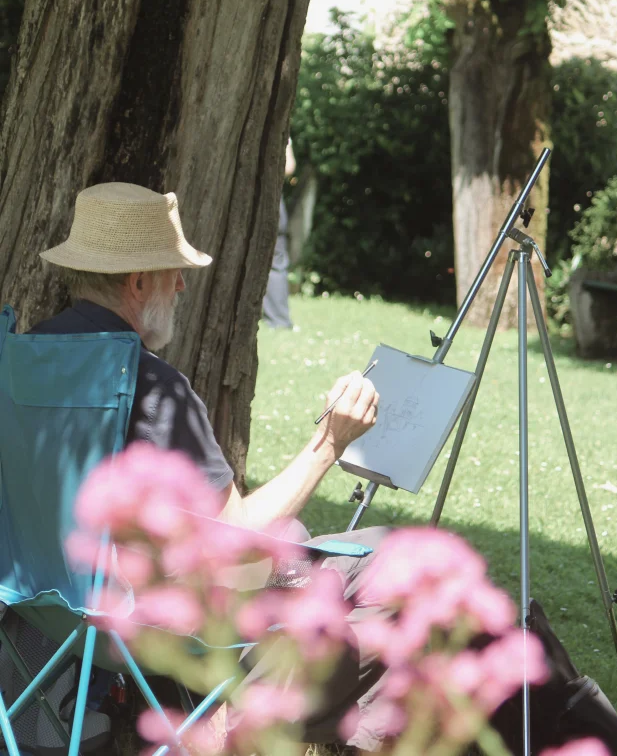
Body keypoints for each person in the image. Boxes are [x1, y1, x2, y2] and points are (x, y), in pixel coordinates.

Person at [32, 182, 390, 752]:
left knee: (299, 540)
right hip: (135, 628)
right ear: (139, 281)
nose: (180, 284)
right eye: (173, 271)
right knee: (382, 565)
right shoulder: (149, 386)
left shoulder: (22, 359)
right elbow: (238, 540)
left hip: (41, 616)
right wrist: (329, 443)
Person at [262, 138, 296, 329]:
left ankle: (279, 321)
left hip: (271, 201)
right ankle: (278, 320)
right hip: (271, 200)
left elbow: (289, 166)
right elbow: (289, 166)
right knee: (276, 261)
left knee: (275, 261)